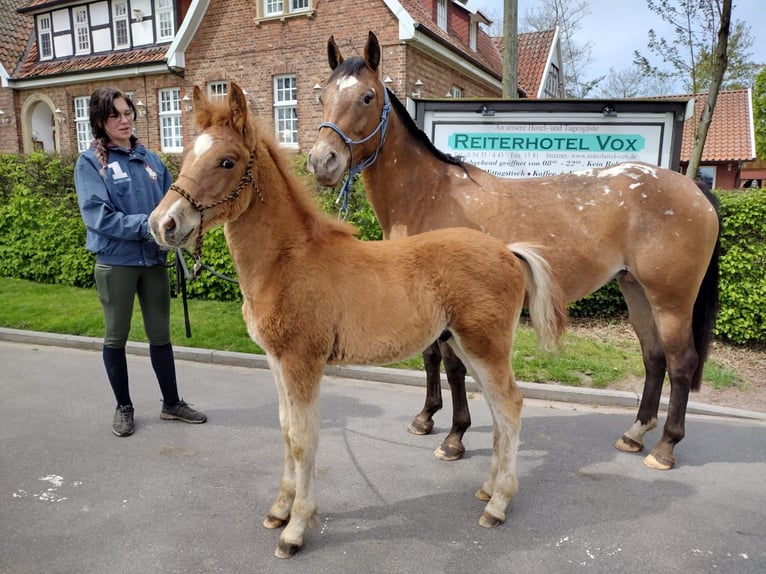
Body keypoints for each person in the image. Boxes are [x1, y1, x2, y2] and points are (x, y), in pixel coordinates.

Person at [74, 87, 207, 437]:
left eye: (128, 112)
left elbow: (173, 206)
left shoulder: (152, 161)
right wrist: (150, 227)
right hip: (116, 263)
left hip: (152, 262)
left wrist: (180, 233)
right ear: (101, 122)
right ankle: (124, 407)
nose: (124, 119)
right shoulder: (90, 163)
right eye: (115, 115)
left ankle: (171, 403)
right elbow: (98, 217)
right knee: (116, 337)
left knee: (160, 335)